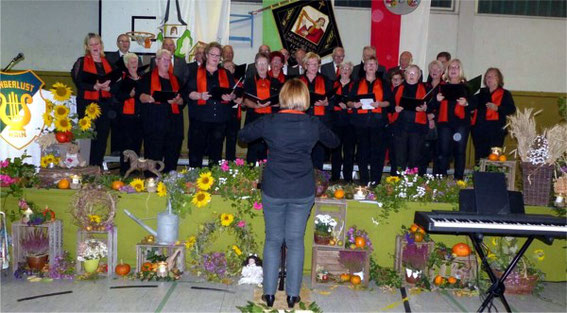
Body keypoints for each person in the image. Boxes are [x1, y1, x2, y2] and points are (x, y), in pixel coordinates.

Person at [238, 79, 339, 309]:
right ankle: (293, 295)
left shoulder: (270, 121)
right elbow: (334, 142)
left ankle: (269, 295)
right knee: (295, 241)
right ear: (305, 99)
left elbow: (243, 136)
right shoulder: (312, 123)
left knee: (273, 240)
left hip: (274, 188)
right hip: (302, 189)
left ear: (282, 97)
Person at [187, 42, 241, 168]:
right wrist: (200, 95)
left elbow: (233, 92)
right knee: (196, 152)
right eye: (213, 54)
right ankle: (193, 182)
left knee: (216, 155)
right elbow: (188, 92)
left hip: (219, 120)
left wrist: (231, 96)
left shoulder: (226, 73)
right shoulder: (195, 72)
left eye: (218, 55)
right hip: (200, 119)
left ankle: (213, 182)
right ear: (206, 55)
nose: (216, 58)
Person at [136, 49, 185, 174]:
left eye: (169, 60)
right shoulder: (146, 78)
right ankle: (151, 178)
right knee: (153, 152)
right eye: (164, 59)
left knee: (172, 151)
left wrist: (179, 101)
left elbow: (183, 100)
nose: (167, 62)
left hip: (173, 122)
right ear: (157, 61)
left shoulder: (176, 79)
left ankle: (170, 176)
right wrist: (148, 98)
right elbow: (139, 96)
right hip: (154, 121)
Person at [71, 33, 115, 168]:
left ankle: (97, 166)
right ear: (87, 47)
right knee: (87, 136)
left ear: (101, 45)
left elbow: (115, 82)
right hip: (87, 104)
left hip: (105, 105)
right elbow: (78, 81)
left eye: (97, 43)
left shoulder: (108, 62)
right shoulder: (82, 61)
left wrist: (109, 88)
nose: (95, 46)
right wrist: (94, 86)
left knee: (102, 137)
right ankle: (85, 167)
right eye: (92, 44)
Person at [430, 59, 476, 180]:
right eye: (451, 67)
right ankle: (442, 178)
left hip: (461, 124)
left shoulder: (467, 87)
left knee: (460, 152)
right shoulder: (440, 87)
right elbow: (430, 106)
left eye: (456, 67)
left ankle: (458, 179)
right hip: (444, 123)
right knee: (443, 151)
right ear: (447, 71)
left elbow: (474, 104)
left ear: (460, 70)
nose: (454, 70)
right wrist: (436, 100)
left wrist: (466, 103)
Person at [348, 56, 391, 186]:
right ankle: (364, 180)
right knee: (362, 152)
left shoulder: (384, 83)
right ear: (364, 67)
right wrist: (353, 105)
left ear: (377, 67)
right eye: (368, 64)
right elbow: (348, 101)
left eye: (373, 64)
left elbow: (390, 102)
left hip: (378, 123)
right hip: (360, 122)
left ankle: (375, 180)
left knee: (377, 153)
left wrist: (379, 104)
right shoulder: (356, 83)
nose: (371, 66)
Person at [243, 53, 282, 164]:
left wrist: (274, 104)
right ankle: (251, 177)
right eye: (259, 63)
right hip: (254, 119)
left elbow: (281, 101)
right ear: (255, 65)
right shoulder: (249, 81)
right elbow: (245, 100)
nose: (262, 66)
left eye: (264, 63)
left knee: (269, 148)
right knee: (253, 148)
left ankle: (267, 177)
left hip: (270, 119)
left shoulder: (276, 82)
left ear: (268, 65)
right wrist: (256, 105)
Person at [471, 68, 516, 163]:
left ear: (498, 79)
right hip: (479, 130)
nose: (489, 78)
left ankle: (492, 177)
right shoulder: (480, 95)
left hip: (496, 131)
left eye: (492, 76)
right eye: (487, 76)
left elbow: (511, 109)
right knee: (479, 157)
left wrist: (497, 108)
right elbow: (470, 107)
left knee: (494, 157)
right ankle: (479, 176)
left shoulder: (505, 94)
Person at [390, 65, 429, 172]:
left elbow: (431, 105)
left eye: (414, 73)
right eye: (409, 73)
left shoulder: (425, 89)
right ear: (405, 75)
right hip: (400, 126)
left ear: (419, 76)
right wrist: (395, 108)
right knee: (399, 157)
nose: (411, 75)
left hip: (417, 128)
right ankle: (398, 182)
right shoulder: (397, 89)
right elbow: (390, 105)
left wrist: (426, 108)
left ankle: (412, 183)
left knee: (415, 157)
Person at [299, 52, 333, 170]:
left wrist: (326, 103)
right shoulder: (298, 81)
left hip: (321, 118)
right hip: (303, 118)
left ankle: (318, 178)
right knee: (303, 148)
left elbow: (332, 99)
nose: (314, 67)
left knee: (319, 149)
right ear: (305, 65)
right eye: (311, 64)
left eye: (316, 64)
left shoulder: (326, 80)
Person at [115, 52, 143, 176]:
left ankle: (135, 169)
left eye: (136, 62)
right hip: (126, 116)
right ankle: (125, 170)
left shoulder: (142, 78)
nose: (134, 64)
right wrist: (129, 95)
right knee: (126, 145)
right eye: (131, 62)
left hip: (140, 116)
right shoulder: (122, 79)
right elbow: (117, 96)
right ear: (126, 64)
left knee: (137, 144)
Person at [330, 62, 355, 183]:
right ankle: (335, 176)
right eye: (343, 68)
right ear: (339, 70)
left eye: (348, 69)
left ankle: (348, 177)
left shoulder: (355, 84)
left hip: (350, 122)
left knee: (349, 151)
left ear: (351, 71)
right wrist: (336, 103)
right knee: (335, 150)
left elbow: (358, 100)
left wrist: (351, 105)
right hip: (335, 121)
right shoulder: (332, 83)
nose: (345, 70)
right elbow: (328, 99)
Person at [419, 60, 444, 176]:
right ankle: (421, 178)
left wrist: (433, 116)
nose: (434, 71)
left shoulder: (445, 87)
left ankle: (437, 179)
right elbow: (420, 104)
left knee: (438, 152)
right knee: (423, 152)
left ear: (442, 71)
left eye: (437, 69)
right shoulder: (424, 86)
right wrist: (428, 117)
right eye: (432, 69)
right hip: (424, 121)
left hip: (440, 122)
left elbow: (446, 106)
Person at [222, 60, 242, 161]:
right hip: (221, 115)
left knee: (232, 139)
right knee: (219, 138)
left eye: (231, 67)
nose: (229, 69)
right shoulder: (220, 81)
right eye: (226, 67)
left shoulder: (239, 83)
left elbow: (242, 97)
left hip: (234, 115)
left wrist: (241, 100)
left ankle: (230, 161)